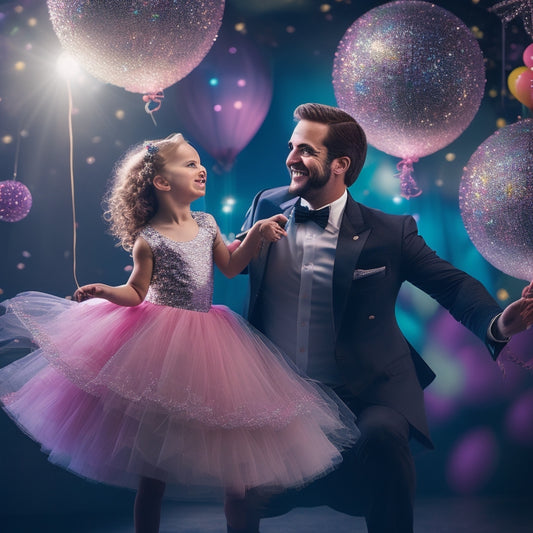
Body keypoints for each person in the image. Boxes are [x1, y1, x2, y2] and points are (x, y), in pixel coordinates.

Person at [0, 133, 360, 533]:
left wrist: (256, 233)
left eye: (199, 161)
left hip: (215, 341)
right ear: (161, 182)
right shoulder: (147, 239)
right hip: (159, 342)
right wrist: (104, 291)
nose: (200, 168)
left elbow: (229, 265)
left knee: (237, 468)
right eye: (189, 164)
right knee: (152, 470)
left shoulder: (206, 224)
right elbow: (136, 292)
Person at [223, 103, 533, 533]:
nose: (291, 158)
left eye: (306, 151)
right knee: (240, 488)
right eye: (291, 147)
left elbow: (452, 284)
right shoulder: (265, 204)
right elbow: (229, 257)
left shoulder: (390, 231)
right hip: (275, 395)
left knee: (386, 435)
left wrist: (499, 323)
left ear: (340, 165)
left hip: (363, 393)